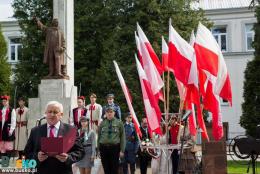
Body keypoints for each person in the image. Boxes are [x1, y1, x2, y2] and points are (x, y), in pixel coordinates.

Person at [24, 101, 85, 174]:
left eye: (55, 112)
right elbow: (27, 153)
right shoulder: (35, 131)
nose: (52, 114)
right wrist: (37, 157)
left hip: (63, 171)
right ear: (45, 113)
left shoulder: (71, 130)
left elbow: (80, 151)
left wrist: (68, 157)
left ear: (61, 114)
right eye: (49, 112)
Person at [98, 106, 125, 174]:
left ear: (114, 113)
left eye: (111, 112)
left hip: (115, 148)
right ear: (105, 113)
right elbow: (99, 137)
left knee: (114, 169)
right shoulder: (102, 123)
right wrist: (98, 150)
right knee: (106, 168)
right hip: (103, 148)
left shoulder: (119, 123)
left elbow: (122, 137)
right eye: (107, 112)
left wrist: (122, 150)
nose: (109, 114)